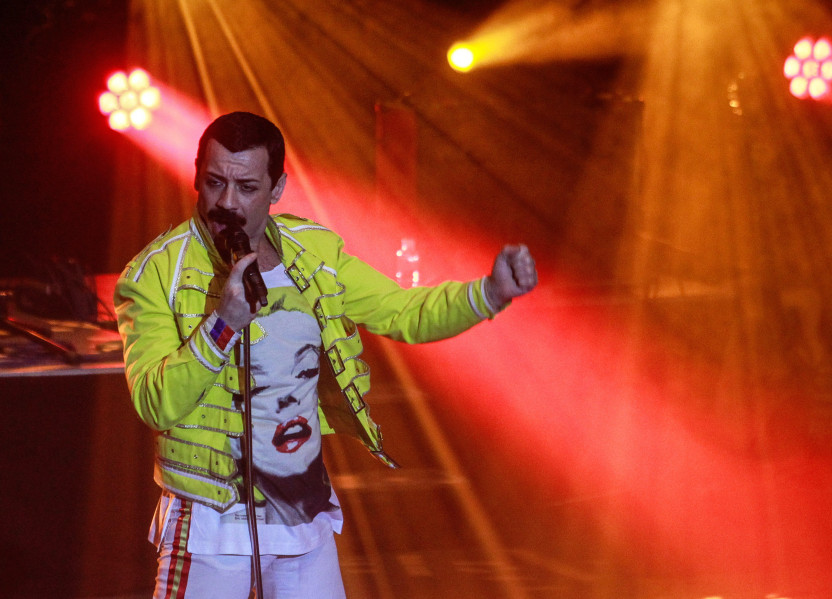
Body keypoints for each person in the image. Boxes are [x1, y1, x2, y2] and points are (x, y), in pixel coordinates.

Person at [114, 111, 537, 598]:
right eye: (214, 182)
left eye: (247, 187)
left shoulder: (313, 256)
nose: (226, 202)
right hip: (210, 521)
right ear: (195, 176)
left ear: (277, 189)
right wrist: (222, 326)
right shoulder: (154, 274)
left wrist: (490, 292)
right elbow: (154, 402)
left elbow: (405, 313)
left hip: (300, 510)